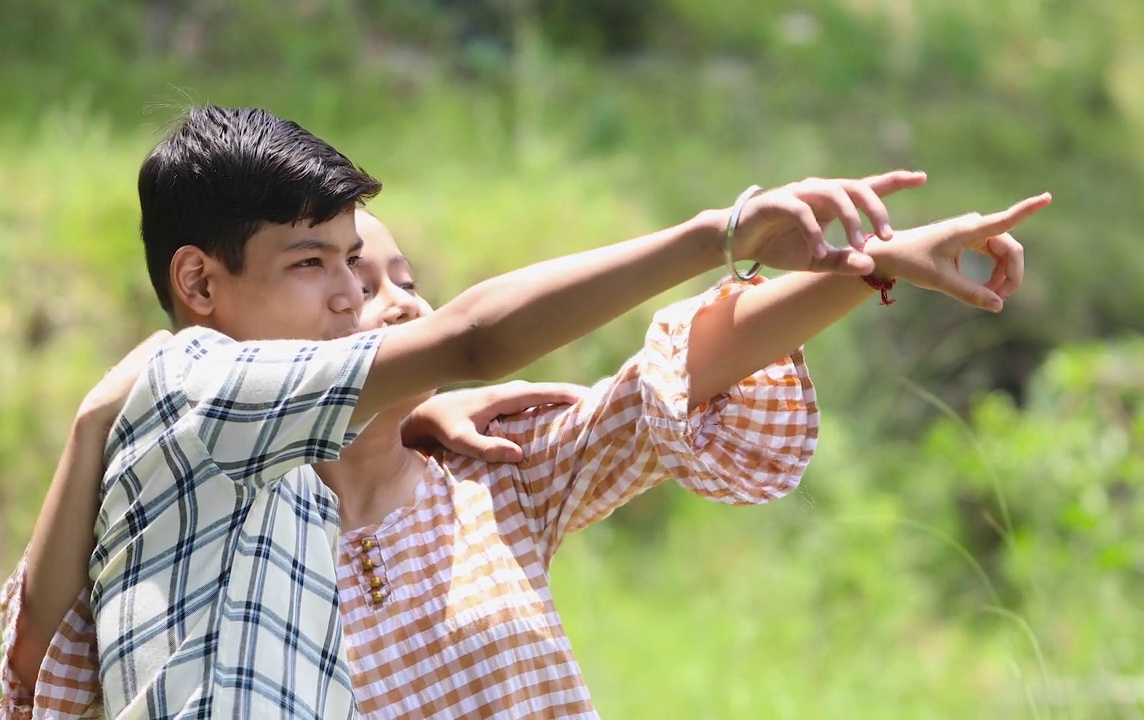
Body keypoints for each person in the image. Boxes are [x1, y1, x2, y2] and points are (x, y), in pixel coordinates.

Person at [0, 103, 928, 720]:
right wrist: (716, 234)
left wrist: (877, 262)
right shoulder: (196, 447)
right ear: (201, 286)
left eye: (397, 278)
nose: (391, 304)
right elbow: (37, 659)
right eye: (332, 271)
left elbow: (690, 373)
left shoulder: (490, 470)